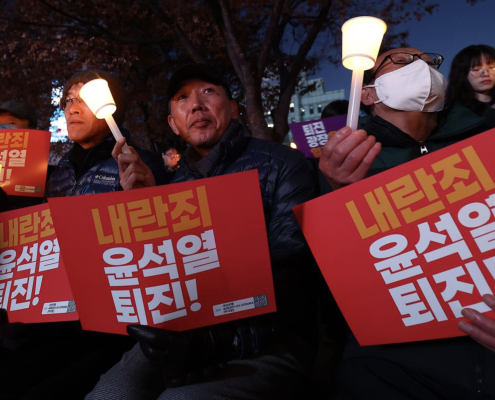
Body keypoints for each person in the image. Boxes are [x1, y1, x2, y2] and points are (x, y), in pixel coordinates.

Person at [319, 47, 495, 399]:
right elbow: (343, 278)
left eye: (430, 61)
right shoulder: (342, 164)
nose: (422, 67)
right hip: (402, 364)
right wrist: (339, 196)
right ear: (370, 92)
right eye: (403, 61)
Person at [87, 63, 322, 399]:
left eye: (208, 91)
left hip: (269, 339)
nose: (196, 104)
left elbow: (294, 270)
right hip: (180, 335)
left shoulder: (283, 164)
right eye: (182, 98)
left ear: (234, 108)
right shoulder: (170, 185)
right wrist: (144, 205)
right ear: (173, 124)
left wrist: (220, 340)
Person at [0, 70, 165, 400]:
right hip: (54, 322)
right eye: (69, 100)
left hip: (109, 332)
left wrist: (141, 201)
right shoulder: (55, 176)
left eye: (85, 99)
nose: (72, 108)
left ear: (110, 106)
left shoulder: (139, 165)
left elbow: (149, 254)